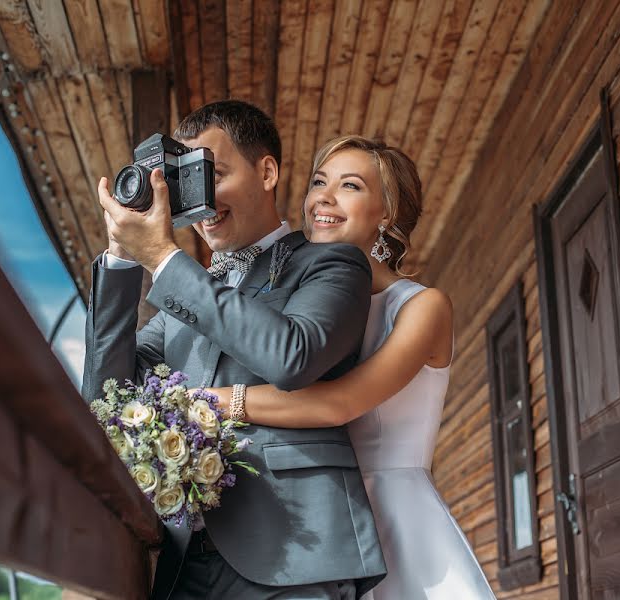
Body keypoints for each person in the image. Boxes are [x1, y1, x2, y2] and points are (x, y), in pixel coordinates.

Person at [82, 102, 386, 600]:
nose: (199, 198)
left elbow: (294, 357)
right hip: (183, 560)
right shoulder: (185, 294)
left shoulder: (330, 264)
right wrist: (121, 256)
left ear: (266, 171)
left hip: (294, 551)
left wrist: (162, 256)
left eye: (212, 173)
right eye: (185, 180)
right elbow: (106, 398)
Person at [203, 136, 496, 599]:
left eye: (350, 186)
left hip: (393, 514)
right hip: (317, 515)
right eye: (319, 181)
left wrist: (213, 402)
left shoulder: (422, 307)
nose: (324, 196)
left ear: (387, 214)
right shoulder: (304, 310)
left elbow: (343, 403)